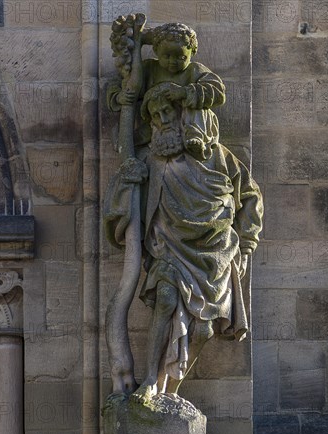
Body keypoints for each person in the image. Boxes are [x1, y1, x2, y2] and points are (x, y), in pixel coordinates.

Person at [104, 84, 263, 403]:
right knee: (165, 299)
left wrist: (245, 246)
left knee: (204, 330)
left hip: (214, 253)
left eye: (168, 113)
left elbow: (249, 197)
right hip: (169, 246)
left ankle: (168, 392)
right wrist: (127, 180)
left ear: (182, 117)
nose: (163, 120)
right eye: (156, 116)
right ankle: (151, 380)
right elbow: (121, 202)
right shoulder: (150, 158)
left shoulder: (219, 157)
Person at [107, 22, 226, 160]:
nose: (173, 62)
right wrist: (117, 97)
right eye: (167, 56)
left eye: (181, 57)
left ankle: (196, 140)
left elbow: (218, 91)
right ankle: (122, 143)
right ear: (157, 52)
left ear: (191, 52)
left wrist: (185, 92)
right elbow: (120, 82)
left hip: (192, 125)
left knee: (196, 108)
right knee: (142, 134)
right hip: (158, 122)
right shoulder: (149, 68)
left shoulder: (194, 70)